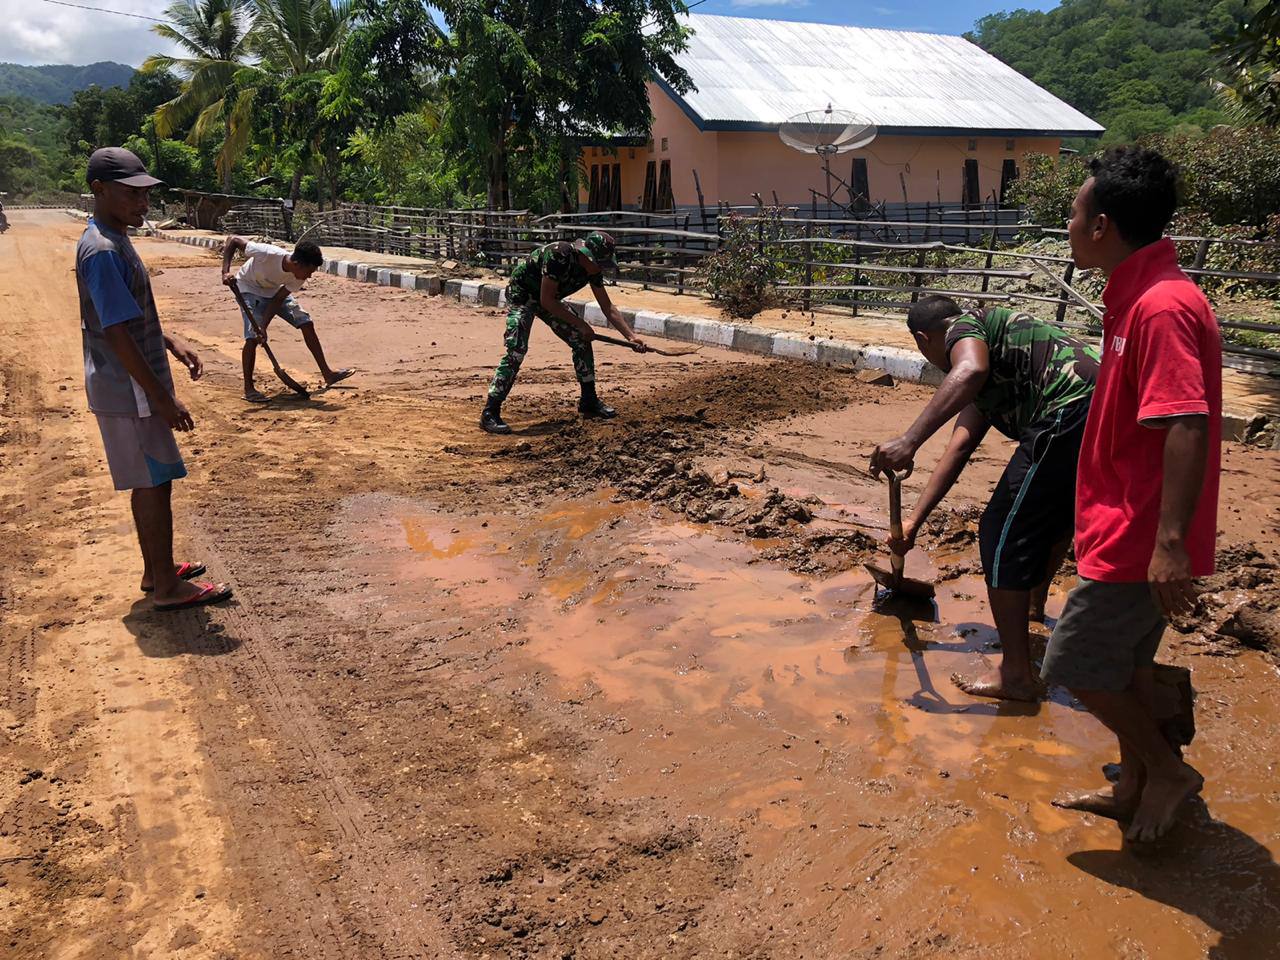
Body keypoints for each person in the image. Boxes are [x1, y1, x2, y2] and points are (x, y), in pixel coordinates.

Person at [1043, 146, 1220, 843]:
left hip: (1141, 531)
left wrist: (1170, 544)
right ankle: (1137, 782)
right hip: (1120, 520)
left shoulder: (1162, 306)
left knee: (1077, 663)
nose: (1067, 222)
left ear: (1102, 225)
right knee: (1127, 665)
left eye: (1074, 211)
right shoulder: (1137, 295)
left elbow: (1187, 419)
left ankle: (1166, 770)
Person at [870, 296, 1099, 701]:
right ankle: (1030, 608)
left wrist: (909, 440)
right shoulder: (995, 362)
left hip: (1071, 409)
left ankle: (1016, 676)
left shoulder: (967, 328)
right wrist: (912, 523)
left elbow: (969, 368)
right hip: (1102, 411)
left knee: (1000, 532)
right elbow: (957, 450)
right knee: (1053, 516)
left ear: (924, 339)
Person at [76, 147, 232, 611]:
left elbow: (126, 314)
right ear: (99, 191)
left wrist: (168, 341)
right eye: (131, 194)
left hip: (132, 385)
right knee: (152, 481)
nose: (143, 205)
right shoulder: (103, 250)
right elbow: (117, 333)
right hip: (130, 390)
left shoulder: (114, 238)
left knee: (154, 479)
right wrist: (162, 398)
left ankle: (155, 570)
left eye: (145, 195)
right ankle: (165, 586)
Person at [480, 231, 647, 434]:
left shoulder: (593, 270)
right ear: (586, 255)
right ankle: (491, 411)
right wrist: (581, 323)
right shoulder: (559, 255)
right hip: (524, 296)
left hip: (549, 299)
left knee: (581, 340)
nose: (600, 267)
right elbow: (546, 301)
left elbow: (607, 306)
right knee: (516, 349)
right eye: (599, 262)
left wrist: (631, 336)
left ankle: (589, 400)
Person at [221, 235, 354, 402]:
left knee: (306, 322)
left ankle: (328, 374)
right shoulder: (267, 253)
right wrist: (225, 272)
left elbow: (277, 300)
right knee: (252, 338)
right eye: (309, 271)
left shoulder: (299, 277)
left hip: (274, 292)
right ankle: (249, 389)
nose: (310, 276)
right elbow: (233, 240)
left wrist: (263, 326)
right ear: (297, 264)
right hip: (248, 289)